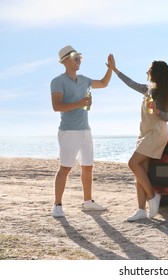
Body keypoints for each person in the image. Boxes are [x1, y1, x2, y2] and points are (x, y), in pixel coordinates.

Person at [109, 55, 168, 221]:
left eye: (150, 70)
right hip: (144, 133)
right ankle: (140, 210)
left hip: (156, 134)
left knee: (132, 163)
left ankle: (152, 196)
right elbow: (131, 83)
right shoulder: (148, 90)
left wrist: (157, 110)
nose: (147, 71)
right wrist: (115, 70)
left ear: (156, 73)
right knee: (140, 172)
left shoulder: (167, 94)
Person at [50, 45, 113, 218]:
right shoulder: (58, 81)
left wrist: (111, 69)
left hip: (86, 130)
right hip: (68, 131)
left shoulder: (84, 80)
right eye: (76, 58)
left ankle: (88, 202)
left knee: (88, 167)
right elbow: (57, 106)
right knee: (65, 168)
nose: (79, 61)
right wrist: (80, 103)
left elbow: (104, 83)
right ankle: (57, 205)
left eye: (80, 58)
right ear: (66, 61)